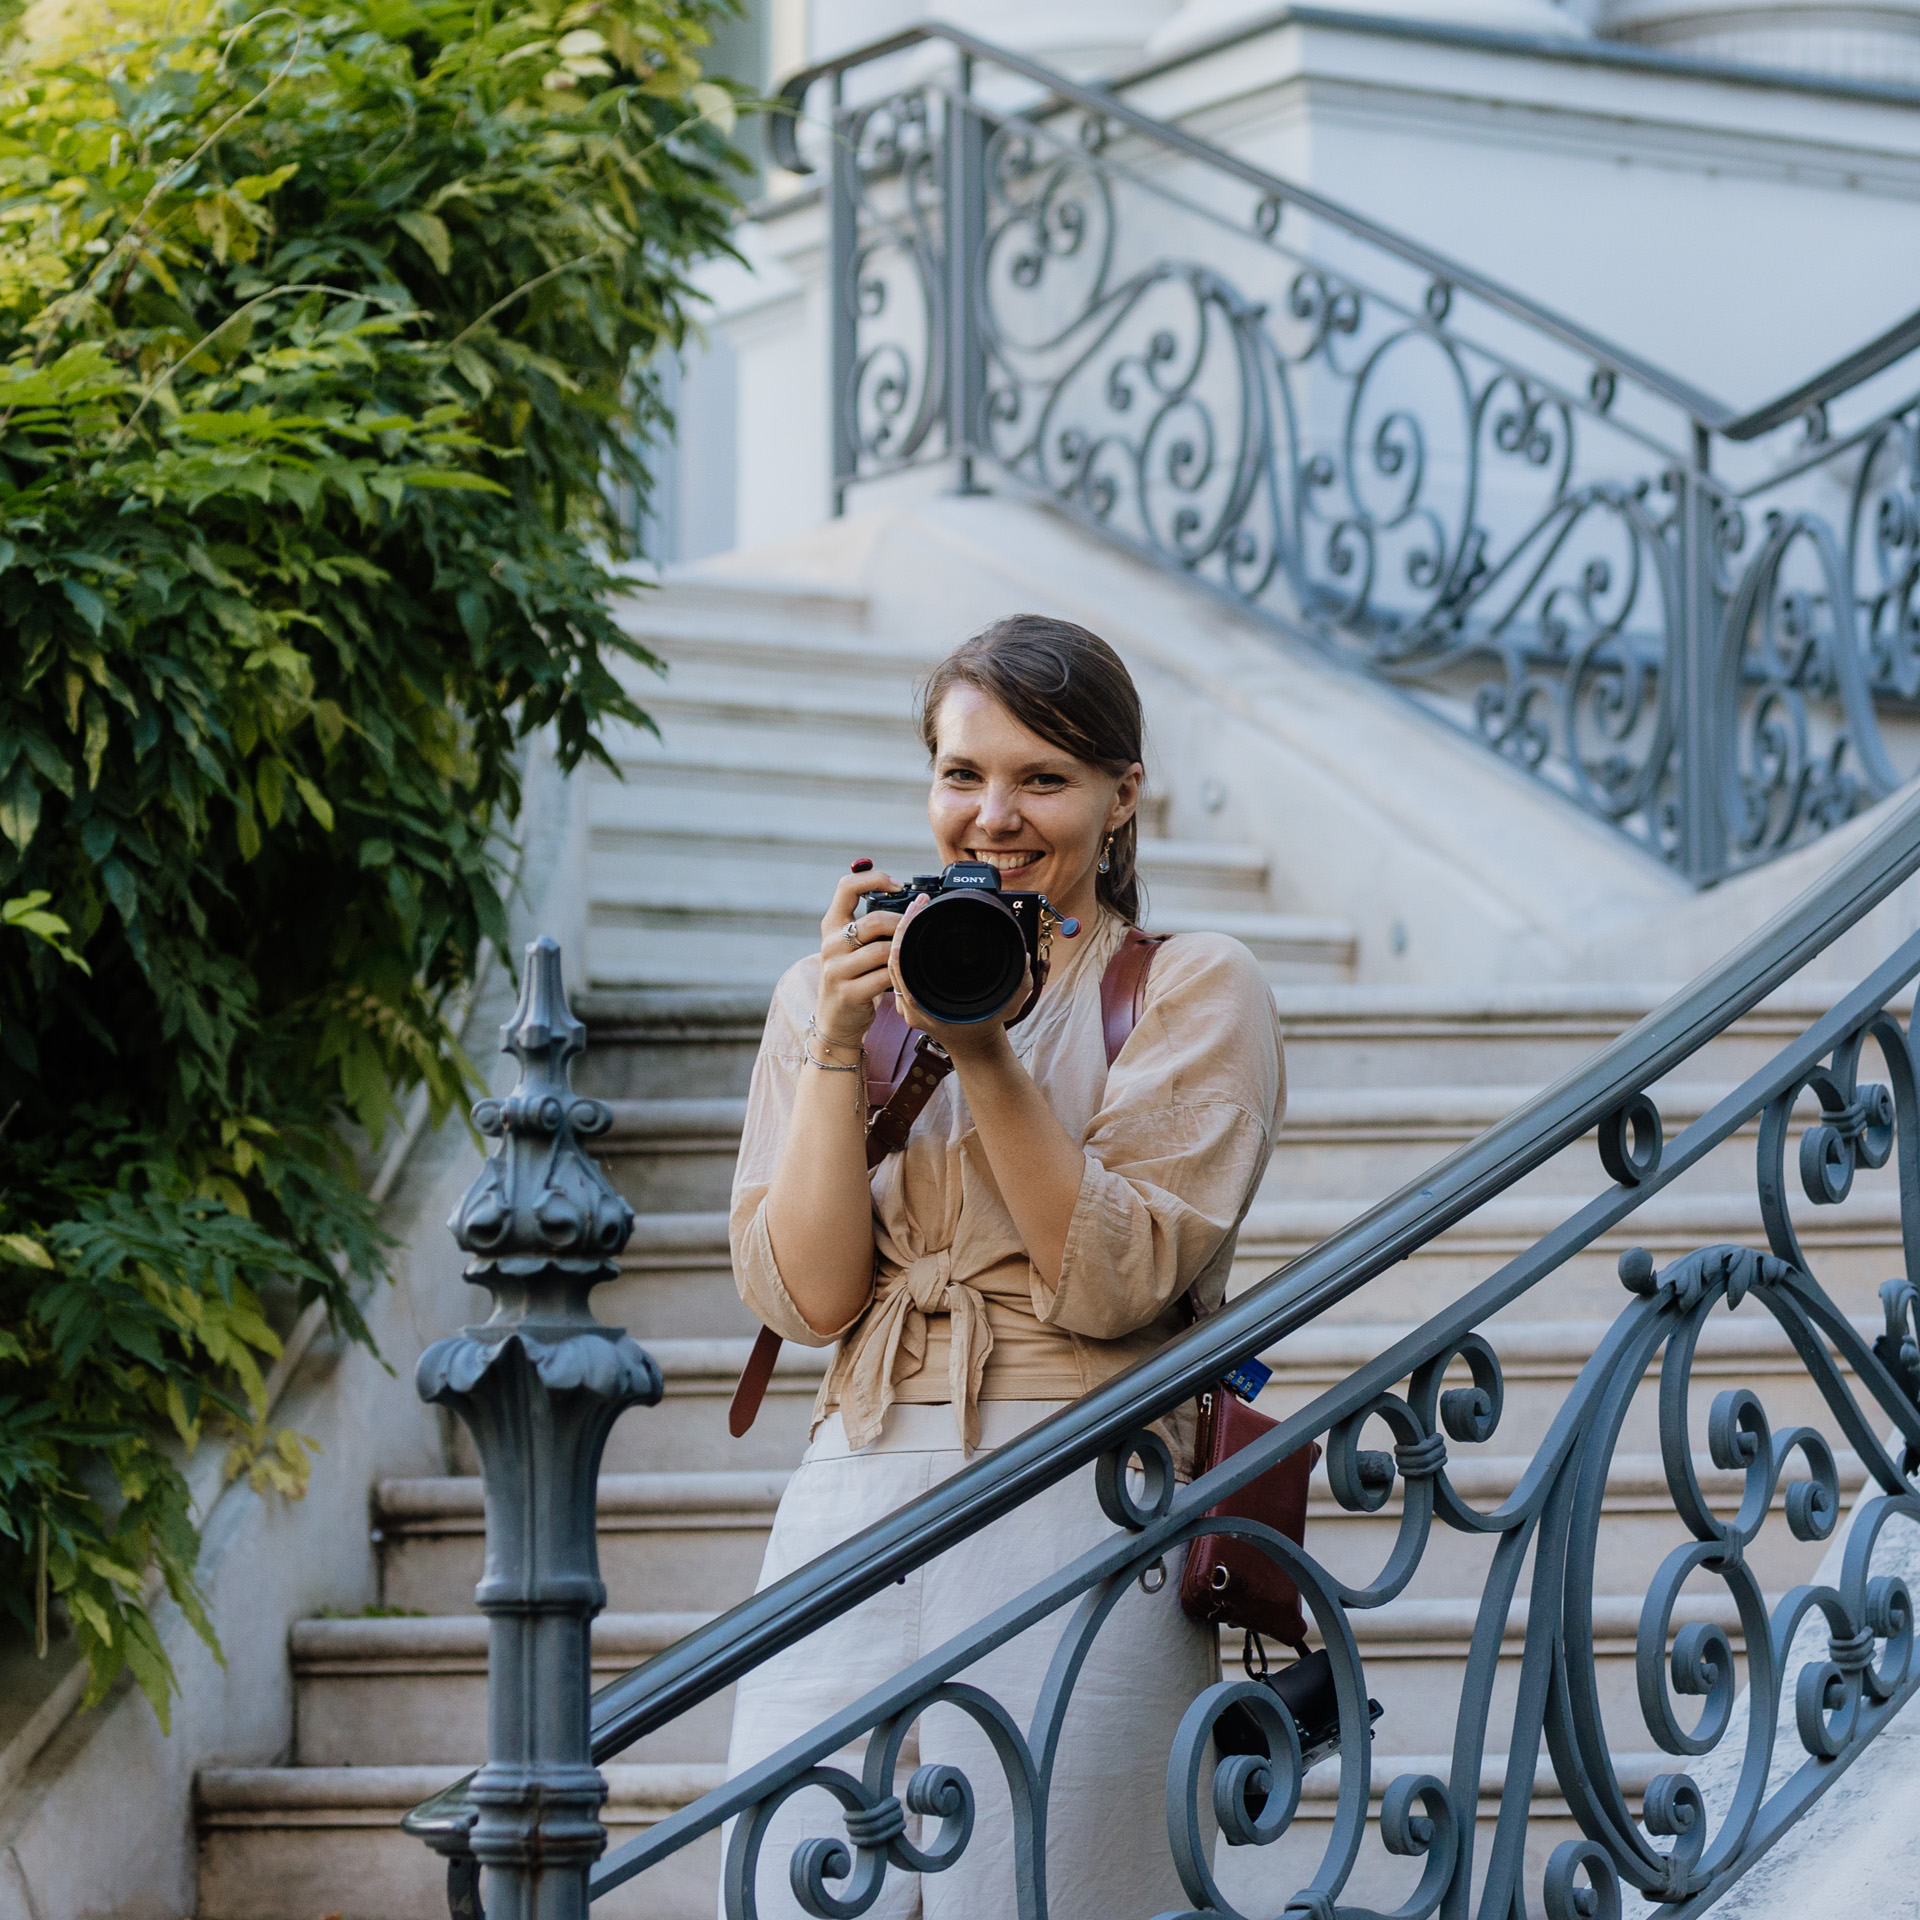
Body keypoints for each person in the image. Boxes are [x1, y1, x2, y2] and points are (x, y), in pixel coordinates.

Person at [719, 614, 1287, 1918]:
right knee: (794, 1883)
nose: (996, 816)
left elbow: (1116, 1281)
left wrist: (979, 1046)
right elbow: (806, 1298)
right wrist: (835, 1044)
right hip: (852, 1473)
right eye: (964, 774)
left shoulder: (1194, 984)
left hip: (1083, 1470)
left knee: (1046, 1891)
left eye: (1045, 778)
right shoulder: (832, 989)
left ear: (1121, 796)